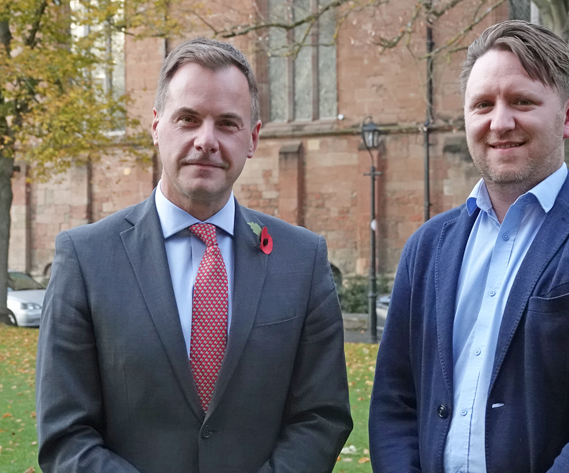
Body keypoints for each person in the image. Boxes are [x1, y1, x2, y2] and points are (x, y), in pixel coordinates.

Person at [368, 20, 569, 473]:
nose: (500, 122)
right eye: (482, 105)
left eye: (522, 102)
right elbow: (395, 400)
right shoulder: (428, 249)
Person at [36, 38, 352, 473]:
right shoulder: (86, 259)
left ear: (253, 138)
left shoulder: (303, 259)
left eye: (227, 123)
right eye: (188, 119)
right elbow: (65, 433)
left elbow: (322, 416)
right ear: (156, 126)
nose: (207, 140)